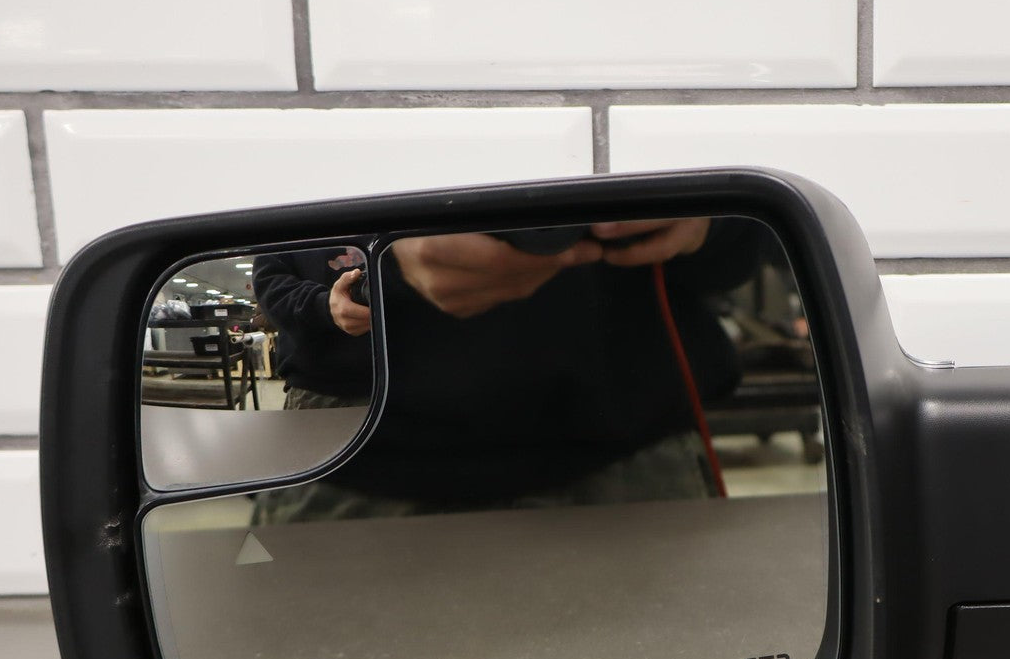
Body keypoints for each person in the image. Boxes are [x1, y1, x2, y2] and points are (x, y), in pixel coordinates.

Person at [251, 218, 775, 522]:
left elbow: (740, 245)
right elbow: (270, 268)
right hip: (349, 444)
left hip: (619, 445)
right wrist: (326, 304)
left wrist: (707, 220)